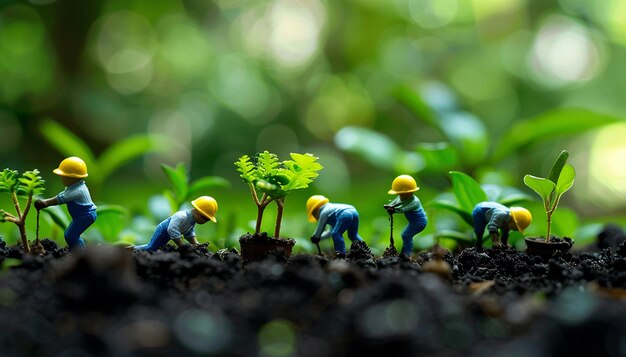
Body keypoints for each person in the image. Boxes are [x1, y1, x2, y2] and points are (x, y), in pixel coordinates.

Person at [35, 156, 97, 250]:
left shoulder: (79, 190)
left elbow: (61, 198)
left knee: (71, 236)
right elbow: (64, 194)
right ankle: (80, 252)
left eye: (64, 176)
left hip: (86, 215)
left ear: (74, 177)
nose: (61, 178)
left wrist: (45, 203)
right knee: (70, 234)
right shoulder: (73, 186)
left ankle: (79, 254)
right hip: (82, 215)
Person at [134, 196, 218, 251]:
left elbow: (189, 232)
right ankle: (131, 250)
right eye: (205, 218)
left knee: (159, 248)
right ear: (197, 213)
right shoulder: (181, 216)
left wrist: (196, 244)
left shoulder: (192, 221)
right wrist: (182, 245)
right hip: (163, 230)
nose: (205, 221)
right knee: (151, 248)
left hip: (169, 233)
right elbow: (171, 229)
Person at [384, 175, 427, 260]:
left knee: (406, 235)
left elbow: (404, 209)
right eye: (399, 193)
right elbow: (395, 202)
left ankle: (407, 255)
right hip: (412, 222)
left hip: (420, 222)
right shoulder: (401, 197)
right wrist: (389, 206)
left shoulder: (415, 202)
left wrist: (394, 210)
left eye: (402, 193)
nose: (400, 195)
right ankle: (404, 254)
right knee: (405, 235)